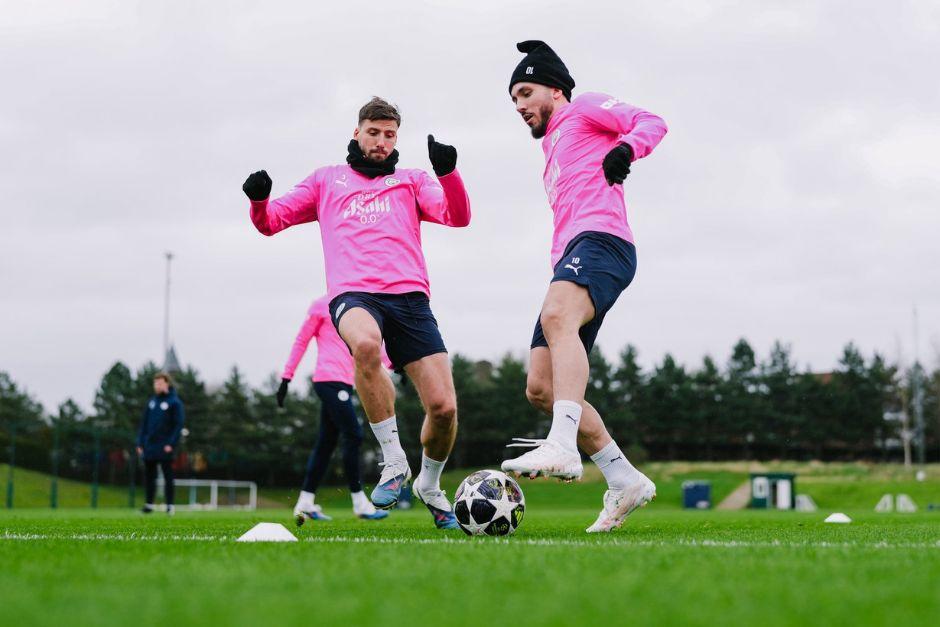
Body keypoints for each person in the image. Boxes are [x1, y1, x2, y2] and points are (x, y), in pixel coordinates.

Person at [244, 97, 471, 529]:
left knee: (443, 409)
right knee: (365, 344)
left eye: (390, 135)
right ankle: (393, 461)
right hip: (354, 294)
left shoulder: (412, 180)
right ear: (357, 132)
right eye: (374, 132)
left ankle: (428, 484)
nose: (381, 141)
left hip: (410, 299)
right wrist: (259, 199)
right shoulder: (325, 180)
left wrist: (448, 174)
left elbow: (457, 217)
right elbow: (270, 221)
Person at [502, 41, 668, 533]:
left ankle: (562, 445)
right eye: (513, 99)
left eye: (526, 92)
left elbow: (652, 121)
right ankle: (624, 478)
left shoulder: (586, 107)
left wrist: (626, 149)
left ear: (556, 90)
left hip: (604, 241)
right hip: (572, 255)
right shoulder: (550, 148)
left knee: (557, 317)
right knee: (541, 387)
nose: (519, 106)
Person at [279, 294, 389, 524]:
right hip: (328, 380)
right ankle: (360, 503)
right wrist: (287, 377)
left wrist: (394, 365)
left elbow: (371, 343)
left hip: (345, 383)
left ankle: (305, 502)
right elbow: (301, 340)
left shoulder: (356, 305)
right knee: (354, 434)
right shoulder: (321, 306)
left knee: (326, 443)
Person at [136, 372, 185, 515]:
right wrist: (140, 442)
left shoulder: (174, 402)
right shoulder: (152, 402)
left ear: (166, 384)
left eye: (159, 383)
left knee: (168, 476)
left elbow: (178, 425)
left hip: (165, 446)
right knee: (149, 476)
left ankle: (170, 506)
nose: (157, 386)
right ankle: (149, 505)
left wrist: (171, 443)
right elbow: (143, 424)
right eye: (155, 383)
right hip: (150, 445)